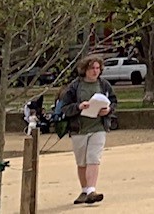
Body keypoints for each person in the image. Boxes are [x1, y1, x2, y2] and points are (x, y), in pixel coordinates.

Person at [58, 56, 118, 205]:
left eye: (98, 68)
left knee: (94, 159)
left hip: (98, 127)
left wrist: (109, 110)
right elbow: (64, 107)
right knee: (82, 162)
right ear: (85, 69)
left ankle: (92, 190)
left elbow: (114, 101)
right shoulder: (75, 86)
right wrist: (79, 107)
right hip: (79, 129)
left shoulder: (104, 85)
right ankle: (85, 190)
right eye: (92, 68)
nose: (95, 71)